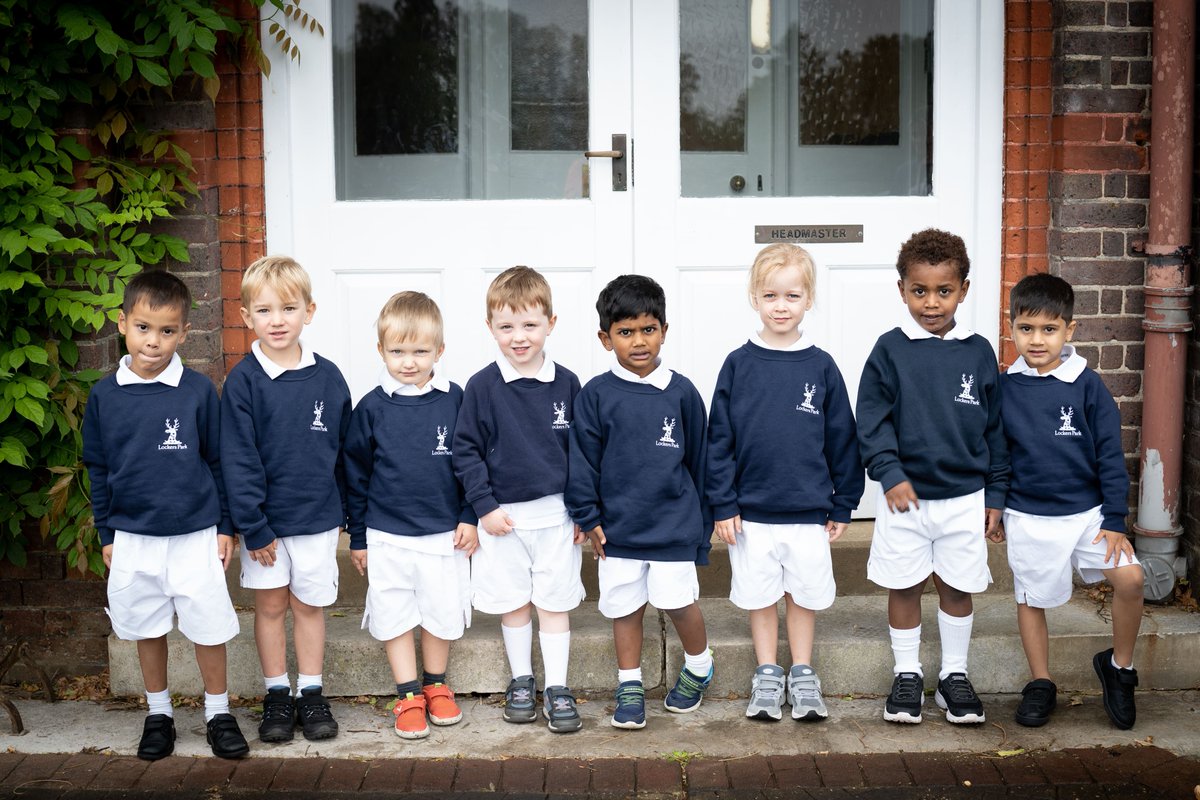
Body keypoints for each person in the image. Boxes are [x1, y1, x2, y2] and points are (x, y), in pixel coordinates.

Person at [83, 270, 249, 760]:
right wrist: (106, 532)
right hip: (133, 536)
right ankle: (159, 713)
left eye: (167, 331)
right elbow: (98, 466)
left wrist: (224, 526)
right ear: (122, 323)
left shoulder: (197, 391)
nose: (154, 342)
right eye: (143, 328)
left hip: (195, 534)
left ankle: (218, 711)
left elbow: (216, 461)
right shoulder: (105, 395)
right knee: (148, 626)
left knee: (208, 625)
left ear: (183, 332)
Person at [856, 229, 1009, 725]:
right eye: (919, 291)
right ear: (902, 289)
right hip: (907, 498)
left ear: (964, 289)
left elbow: (995, 428)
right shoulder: (889, 351)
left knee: (956, 588)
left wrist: (997, 493)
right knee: (903, 586)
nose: (931, 302)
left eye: (944, 291)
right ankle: (906, 674)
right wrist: (889, 472)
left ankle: (953, 677)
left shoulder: (979, 352)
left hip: (965, 496)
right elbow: (871, 420)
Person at [707, 244, 864, 722]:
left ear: (809, 299)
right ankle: (768, 674)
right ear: (754, 297)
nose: (781, 305)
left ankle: (802, 672)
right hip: (752, 513)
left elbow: (842, 438)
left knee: (802, 594)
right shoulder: (739, 363)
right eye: (770, 295)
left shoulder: (821, 366)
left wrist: (844, 502)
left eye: (792, 295)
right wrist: (722, 503)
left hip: (808, 512)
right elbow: (719, 440)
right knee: (759, 597)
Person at [567, 274, 713, 731]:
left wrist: (700, 532)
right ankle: (629, 685)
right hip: (619, 530)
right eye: (625, 332)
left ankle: (700, 664)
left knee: (678, 602)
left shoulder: (682, 392)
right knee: (624, 607)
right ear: (605, 338)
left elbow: (700, 463)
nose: (638, 341)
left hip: (672, 527)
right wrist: (588, 517)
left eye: (648, 329)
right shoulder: (595, 395)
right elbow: (583, 462)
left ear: (664, 330)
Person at [1001, 273, 1144, 729]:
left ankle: (1118, 668)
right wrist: (996, 504)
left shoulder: (1086, 385)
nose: (1037, 339)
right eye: (1026, 328)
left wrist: (1116, 518)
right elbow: (998, 454)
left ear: (1070, 330)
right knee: (1031, 598)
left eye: (1049, 329)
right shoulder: (1005, 387)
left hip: (1088, 514)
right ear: (1011, 328)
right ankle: (1041, 682)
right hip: (1028, 514)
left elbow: (1109, 456)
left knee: (1131, 579)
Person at [220, 255, 351, 743]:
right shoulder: (243, 381)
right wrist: (252, 524)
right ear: (246, 315)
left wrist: (345, 514)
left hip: (317, 519)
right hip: (266, 529)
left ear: (309, 312)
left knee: (309, 607)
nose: (277, 321)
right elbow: (238, 457)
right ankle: (277, 694)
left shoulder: (329, 377)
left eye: (289, 309)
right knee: (271, 607)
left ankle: (311, 693)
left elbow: (343, 451)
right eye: (265, 310)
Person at [452, 266, 585, 733]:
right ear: (490, 328)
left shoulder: (567, 384)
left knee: (553, 603)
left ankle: (558, 687)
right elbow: (465, 451)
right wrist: (484, 506)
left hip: (557, 518)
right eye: (506, 327)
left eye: (530, 325)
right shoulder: (482, 387)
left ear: (551, 322)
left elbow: (584, 452)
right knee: (514, 602)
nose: (519, 337)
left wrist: (583, 511)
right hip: (501, 519)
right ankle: (522, 680)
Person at [343, 291, 479, 740]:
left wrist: (469, 515)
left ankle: (436, 684)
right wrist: (358, 537)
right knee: (395, 612)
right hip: (387, 535)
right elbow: (355, 476)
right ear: (380, 350)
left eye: (420, 351)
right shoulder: (371, 408)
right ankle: (407, 693)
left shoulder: (455, 400)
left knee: (441, 611)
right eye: (397, 351)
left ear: (439, 351)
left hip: (445, 534)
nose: (408, 361)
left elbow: (471, 464)